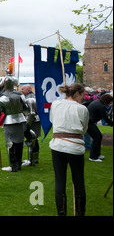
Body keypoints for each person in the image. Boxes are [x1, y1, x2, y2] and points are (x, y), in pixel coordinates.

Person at [49, 83, 89, 216]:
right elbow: (83, 129)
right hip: (73, 147)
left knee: (60, 180)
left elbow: (53, 121)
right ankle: (79, 213)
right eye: (83, 95)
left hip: (58, 146)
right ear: (77, 93)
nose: (83, 98)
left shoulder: (55, 104)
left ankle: (61, 213)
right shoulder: (82, 109)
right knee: (78, 181)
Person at [0, 73, 28, 172]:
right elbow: (26, 108)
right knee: (19, 143)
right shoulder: (20, 95)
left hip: (9, 122)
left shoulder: (3, 98)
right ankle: (18, 164)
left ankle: (13, 166)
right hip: (20, 120)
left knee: (10, 144)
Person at [86, 94, 113, 162]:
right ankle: (93, 157)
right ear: (107, 101)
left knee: (99, 136)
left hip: (89, 122)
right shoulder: (101, 106)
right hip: (89, 123)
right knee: (96, 138)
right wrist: (112, 123)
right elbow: (106, 118)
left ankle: (97, 154)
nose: (110, 103)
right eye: (110, 102)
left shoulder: (97, 102)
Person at [21, 84, 42, 166]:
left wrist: (27, 124)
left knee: (33, 139)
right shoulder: (30, 96)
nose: (21, 90)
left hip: (32, 120)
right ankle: (34, 159)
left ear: (28, 90)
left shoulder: (30, 98)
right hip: (33, 119)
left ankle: (33, 160)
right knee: (34, 139)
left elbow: (32, 112)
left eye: (23, 89)